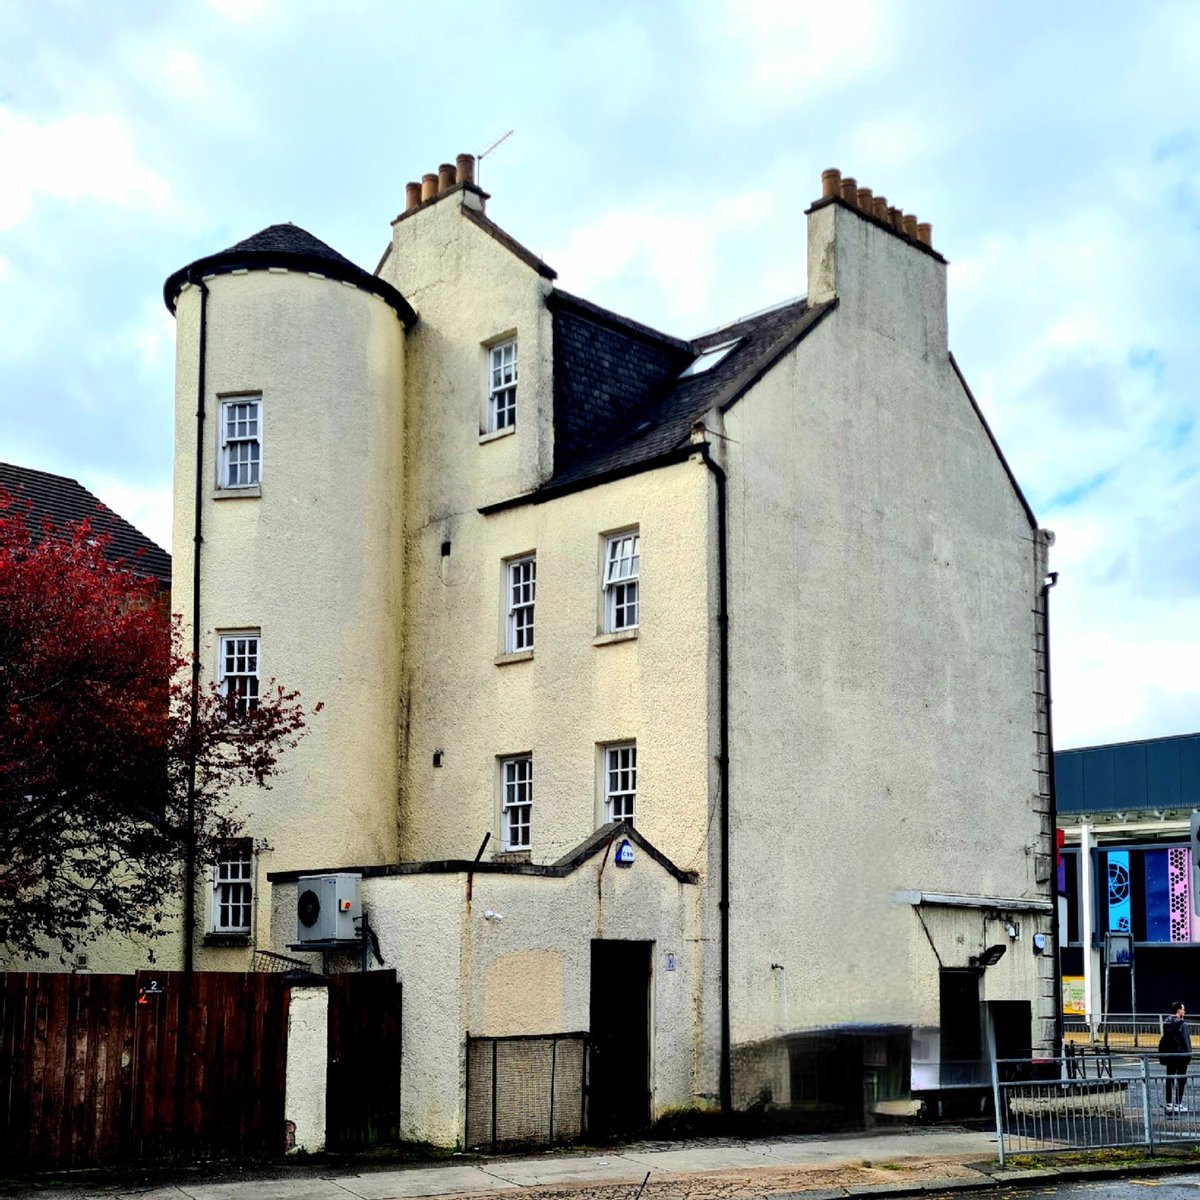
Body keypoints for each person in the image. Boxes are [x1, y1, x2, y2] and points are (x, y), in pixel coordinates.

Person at [1164, 1001, 1192, 1114]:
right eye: (1183, 1009)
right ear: (1178, 1010)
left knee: (1169, 1078)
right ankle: (1178, 1104)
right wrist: (1189, 1055)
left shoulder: (1167, 1022)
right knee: (1181, 1079)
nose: (1184, 1011)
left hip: (1170, 1054)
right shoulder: (1182, 1025)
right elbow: (1186, 1041)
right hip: (1181, 1055)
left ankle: (1169, 1103)